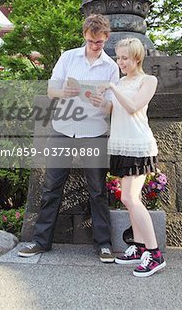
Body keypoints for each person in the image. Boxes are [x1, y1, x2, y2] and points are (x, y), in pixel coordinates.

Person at [18, 14, 119, 262]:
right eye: (91, 40)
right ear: (84, 35)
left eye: (99, 42)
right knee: (52, 187)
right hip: (62, 130)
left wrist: (103, 103)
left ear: (106, 38)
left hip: (94, 133)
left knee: (97, 191)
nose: (95, 45)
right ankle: (41, 242)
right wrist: (64, 91)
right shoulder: (68, 57)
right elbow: (51, 90)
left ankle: (103, 244)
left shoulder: (111, 67)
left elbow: (114, 106)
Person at [101, 37, 166, 277]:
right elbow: (114, 110)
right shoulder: (119, 82)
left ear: (137, 57)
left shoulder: (148, 80)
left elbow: (133, 107)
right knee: (129, 198)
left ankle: (155, 254)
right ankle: (139, 247)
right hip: (120, 145)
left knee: (130, 198)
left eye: (125, 58)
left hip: (139, 146)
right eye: (118, 58)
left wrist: (112, 88)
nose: (120, 62)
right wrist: (99, 100)